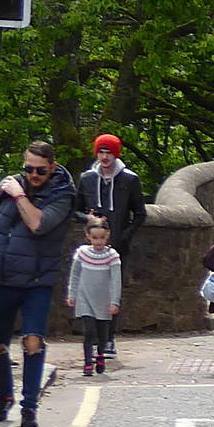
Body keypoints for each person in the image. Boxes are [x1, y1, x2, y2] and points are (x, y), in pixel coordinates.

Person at [0, 141, 74, 427]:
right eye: (28, 169)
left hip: (37, 280)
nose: (33, 175)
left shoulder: (62, 195)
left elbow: (38, 224)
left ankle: (29, 407)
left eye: (40, 170)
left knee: (32, 341)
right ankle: (4, 394)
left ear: (51, 167)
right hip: (1, 277)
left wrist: (21, 195)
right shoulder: (8, 186)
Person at [72, 134, 147, 353]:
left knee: (111, 292)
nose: (105, 157)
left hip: (116, 248)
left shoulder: (129, 180)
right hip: (91, 247)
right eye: (101, 152)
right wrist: (87, 218)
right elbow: (75, 209)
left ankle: (108, 338)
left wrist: (125, 235)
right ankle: (94, 337)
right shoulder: (87, 178)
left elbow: (140, 214)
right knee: (89, 290)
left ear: (116, 155)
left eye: (109, 153)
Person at [66, 216, 122, 376]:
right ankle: (87, 362)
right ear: (88, 236)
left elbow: (116, 281)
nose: (98, 242)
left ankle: (100, 355)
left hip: (104, 300)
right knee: (89, 331)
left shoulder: (112, 256)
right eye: (95, 238)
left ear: (108, 236)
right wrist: (72, 293)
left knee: (103, 334)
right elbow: (75, 275)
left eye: (102, 238)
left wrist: (114, 301)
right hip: (85, 299)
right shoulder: (82, 253)